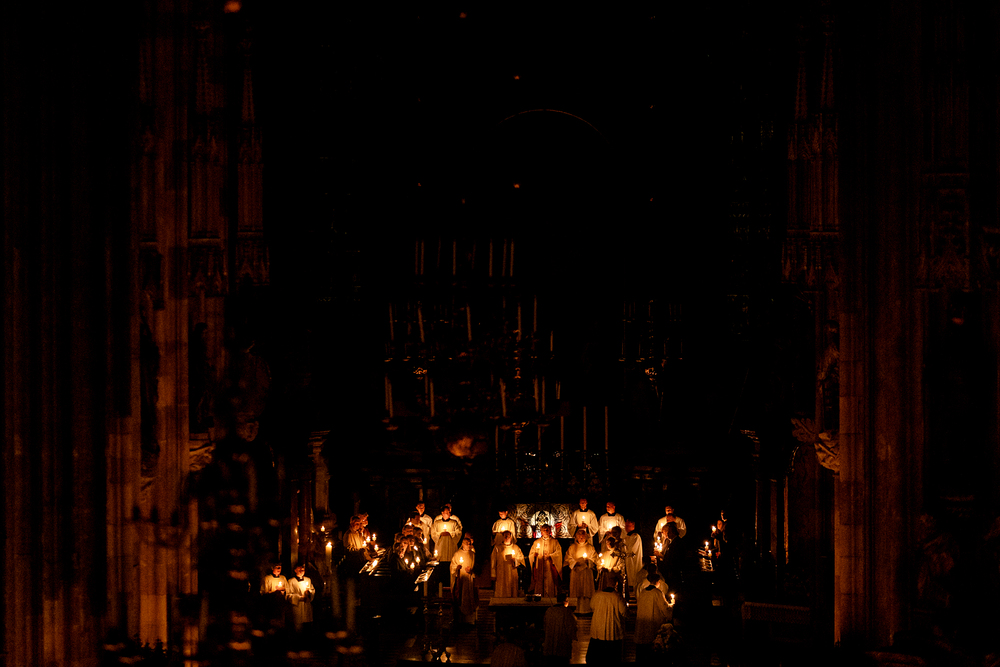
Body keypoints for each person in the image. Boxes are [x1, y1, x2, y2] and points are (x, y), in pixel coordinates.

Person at [587, 575, 627, 666]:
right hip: (613, 630)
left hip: (598, 629)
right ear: (616, 585)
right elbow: (624, 611)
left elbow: (592, 606)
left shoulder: (597, 595)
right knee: (613, 658)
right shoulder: (617, 597)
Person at [635, 573, 671, 664]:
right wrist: (670, 606)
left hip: (643, 621)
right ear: (657, 582)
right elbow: (664, 608)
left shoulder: (643, 592)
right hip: (653, 622)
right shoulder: (657, 593)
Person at [565, 527, 596, 613]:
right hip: (576, 572)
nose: (581, 537)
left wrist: (588, 562)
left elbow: (595, 559)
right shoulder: (572, 547)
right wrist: (575, 563)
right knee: (577, 591)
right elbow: (568, 558)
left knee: (586, 591)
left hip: (586, 572)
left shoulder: (590, 547)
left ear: (586, 537)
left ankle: (587, 609)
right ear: (576, 537)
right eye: (579, 536)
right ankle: (576, 609)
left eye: (583, 536)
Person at [542, 591, 577, 665]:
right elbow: (571, 627)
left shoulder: (549, 610)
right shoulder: (567, 612)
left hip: (550, 644)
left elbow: (545, 625)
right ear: (565, 601)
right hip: (562, 646)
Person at [529, 524, 562, 597]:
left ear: (550, 531)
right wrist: (535, 556)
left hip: (550, 567)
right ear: (541, 531)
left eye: (547, 530)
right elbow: (531, 555)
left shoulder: (555, 542)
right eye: (544, 530)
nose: (546, 531)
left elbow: (558, 553)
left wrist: (551, 556)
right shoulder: (536, 542)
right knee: (539, 583)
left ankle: (550, 599)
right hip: (540, 566)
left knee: (550, 583)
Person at [451, 536, 478, 625]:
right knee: (461, 597)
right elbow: (452, 566)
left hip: (469, 579)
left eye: (470, 544)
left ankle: (470, 619)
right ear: (462, 544)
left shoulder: (472, 554)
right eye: (467, 544)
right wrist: (457, 568)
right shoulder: (457, 554)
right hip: (461, 579)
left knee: (470, 597)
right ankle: (461, 619)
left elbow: (475, 566)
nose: (469, 545)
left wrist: (471, 570)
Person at [491, 530, 524, 598]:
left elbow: (521, 560)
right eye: (505, 536)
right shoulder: (497, 548)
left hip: (512, 572)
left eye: (508, 536)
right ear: (502, 537)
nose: (506, 538)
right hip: (501, 573)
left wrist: (515, 561)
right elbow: (493, 561)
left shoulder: (516, 548)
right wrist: (493, 574)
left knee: (512, 591)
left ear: (511, 537)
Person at [287, 564, 315, 638]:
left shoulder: (308, 580)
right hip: (297, 607)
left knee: (307, 627)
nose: (301, 571)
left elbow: (312, 590)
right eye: (299, 570)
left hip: (306, 606)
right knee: (298, 627)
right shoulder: (291, 581)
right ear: (295, 570)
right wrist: (299, 598)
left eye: (303, 570)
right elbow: (288, 595)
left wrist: (309, 593)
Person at [623, 519, 644, 597]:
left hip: (633, 561)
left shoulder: (636, 537)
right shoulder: (626, 537)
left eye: (628, 526)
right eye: (625, 526)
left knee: (633, 576)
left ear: (633, 526)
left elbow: (631, 550)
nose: (626, 528)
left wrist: (624, 550)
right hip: (627, 560)